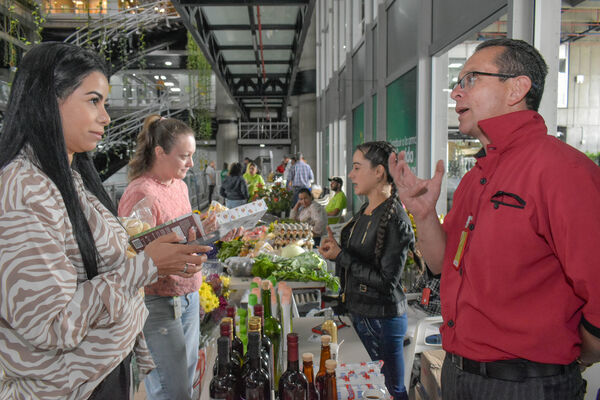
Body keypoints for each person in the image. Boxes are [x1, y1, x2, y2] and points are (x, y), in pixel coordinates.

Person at [389, 38, 600, 400]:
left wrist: (575, 356)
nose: (456, 93)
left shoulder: (563, 171)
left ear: (517, 88)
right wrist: (423, 216)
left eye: (470, 79)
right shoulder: (478, 177)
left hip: (527, 386)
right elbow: (442, 265)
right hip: (461, 374)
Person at [0, 42, 207, 399]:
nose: (107, 117)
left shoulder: (71, 176)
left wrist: (149, 255)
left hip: (99, 373)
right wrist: (145, 266)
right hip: (66, 387)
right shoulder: (24, 190)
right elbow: (52, 325)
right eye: (94, 101)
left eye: (106, 103)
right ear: (49, 100)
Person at [118, 115, 209, 400]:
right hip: (157, 301)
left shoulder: (179, 186)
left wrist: (214, 228)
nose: (191, 164)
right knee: (173, 391)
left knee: (188, 382)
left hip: (188, 295)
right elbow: (129, 256)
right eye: (184, 156)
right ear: (160, 152)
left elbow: (182, 235)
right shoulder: (140, 193)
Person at [319, 141, 415, 400]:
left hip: (382, 321)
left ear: (379, 172)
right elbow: (360, 258)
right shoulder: (367, 211)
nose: (350, 175)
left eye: (357, 167)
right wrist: (337, 251)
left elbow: (386, 282)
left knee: (391, 392)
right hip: (362, 314)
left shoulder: (394, 219)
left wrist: (342, 257)